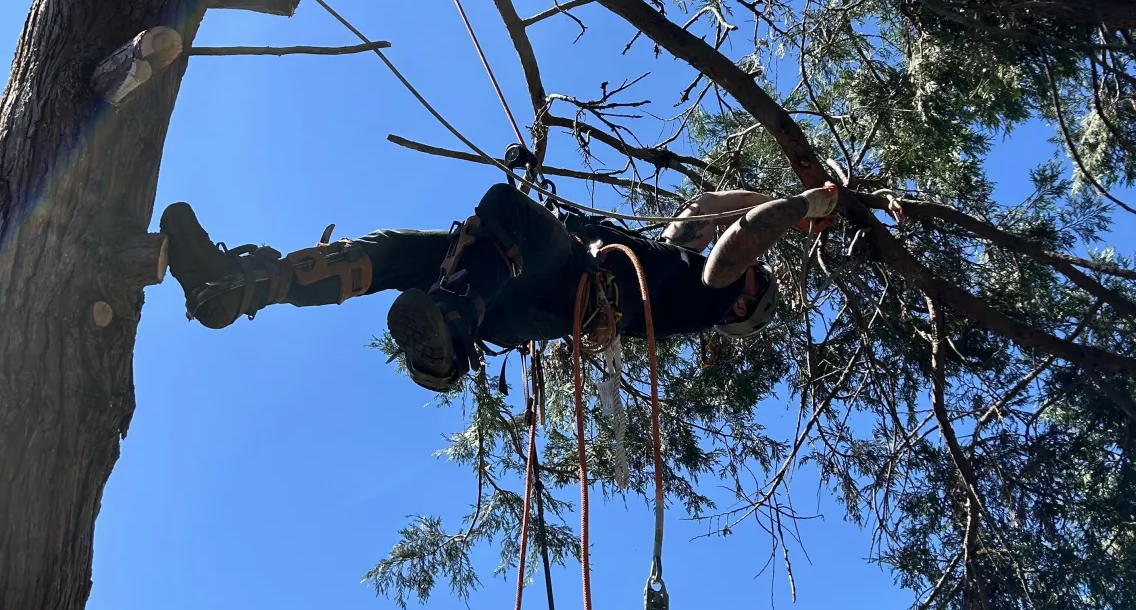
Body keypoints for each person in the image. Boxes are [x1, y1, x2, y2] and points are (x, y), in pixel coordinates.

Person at [160, 180, 780, 391]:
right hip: (510, 298)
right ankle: (241, 285)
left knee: (505, 209)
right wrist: (780, 198)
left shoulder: (715, 291)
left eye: (756, 274)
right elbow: (708, 210)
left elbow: (743, 234)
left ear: (745, 303)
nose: (747, 263)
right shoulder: (677, 264)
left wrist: (799, 210)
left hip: (565, 285)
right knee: (394, 253)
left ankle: (450, 326)